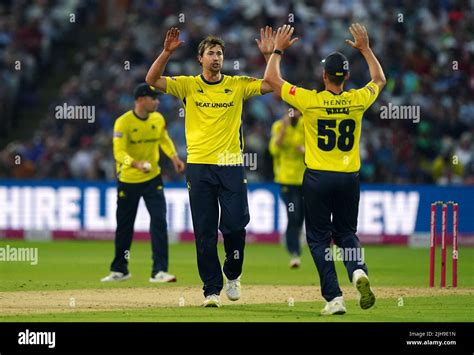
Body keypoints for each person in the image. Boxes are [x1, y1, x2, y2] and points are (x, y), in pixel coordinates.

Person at [145, 27, 275, 307]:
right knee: (204, 232)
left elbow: (271, 85)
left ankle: (233, 273)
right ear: (200, 59)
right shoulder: (189, 85)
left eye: (220, 53)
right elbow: (152, 79)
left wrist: (270, 56)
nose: (216, 57)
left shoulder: (237, 84)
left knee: (235, 227)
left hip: (230, 164)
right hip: (200, 165)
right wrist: (166, 52)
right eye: (211, 53)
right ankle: (211, 290)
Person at [264, 23, 386, 315]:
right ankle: (357, 270)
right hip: (349, 178)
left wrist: (278, 49)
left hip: (318, 178)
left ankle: (334, 298)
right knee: (347, 233)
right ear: (346, 77)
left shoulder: (310, 101)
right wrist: (366, 49)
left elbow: (271, 78)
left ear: (324, 76)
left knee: (318, 238)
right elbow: (379, 79)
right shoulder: (356, 100)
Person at [101, 83, 185, 283]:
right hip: (128, 179)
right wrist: (135, 163)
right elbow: (118, 152)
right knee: (125, 225)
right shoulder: (123, 123)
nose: (156, 102)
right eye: (152, 98)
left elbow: (164, 139)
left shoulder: (157, 119)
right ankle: (120, 269)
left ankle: (159, 271)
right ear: (140, 100)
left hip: (152, 179)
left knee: (159, 221)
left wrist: (174, 158)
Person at [269, 110, 305, 268]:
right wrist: (284, 128)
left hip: (304, 179)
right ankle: (295, 253)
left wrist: (305, 150)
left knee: (300, 217)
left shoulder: (306, 125)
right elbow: (274, 150)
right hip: (285, 179)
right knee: (293, 215)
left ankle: (294, 241)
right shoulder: (278, 126)